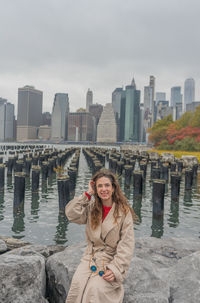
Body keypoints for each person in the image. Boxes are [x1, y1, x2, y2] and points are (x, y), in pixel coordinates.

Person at [65, 168, 135, 303]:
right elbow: (71, 214)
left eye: (107, 185)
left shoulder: (124, 212)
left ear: (114, 188)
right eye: (100, 186)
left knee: (94, 289)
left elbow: (127, 244)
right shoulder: (91, 207)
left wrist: (116, 269)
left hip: (111, 259)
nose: (104, 189)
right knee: (77, 286)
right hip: (90, 257)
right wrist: (88, 194)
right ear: (95, 189)